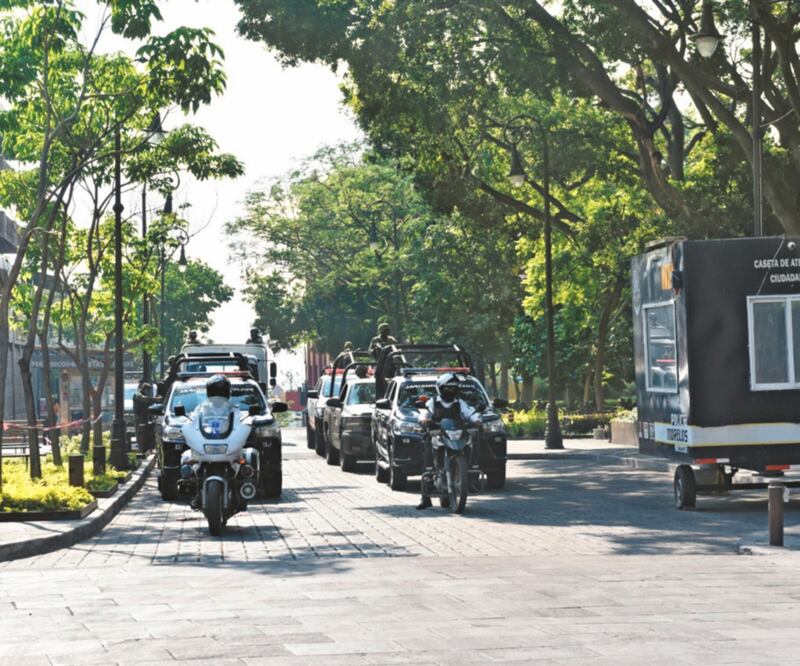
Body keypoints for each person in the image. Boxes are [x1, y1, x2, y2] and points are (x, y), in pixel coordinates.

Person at [415, 372, 482, 510]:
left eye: (453, 388)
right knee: (427, 454)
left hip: (457, 435)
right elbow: (425, 412)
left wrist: (476, 420)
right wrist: (424, 419)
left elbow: (470, 413)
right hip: (438, 435)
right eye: (448, 388)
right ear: (441, 388)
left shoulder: (460, 403)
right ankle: (425, 497)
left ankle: (471, 478)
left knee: (472, 444)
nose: (451, 391)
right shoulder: (433, 402)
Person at [132, 381, 155, 453]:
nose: (147, 391)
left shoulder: (144, 395)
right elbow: (144, 399)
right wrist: (154, 399)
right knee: (140, 434)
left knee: (145, 433)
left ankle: (145, 449)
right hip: (139, 417)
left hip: (144, 417)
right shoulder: (137, 394)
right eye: (146, 389)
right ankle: (141, 450)